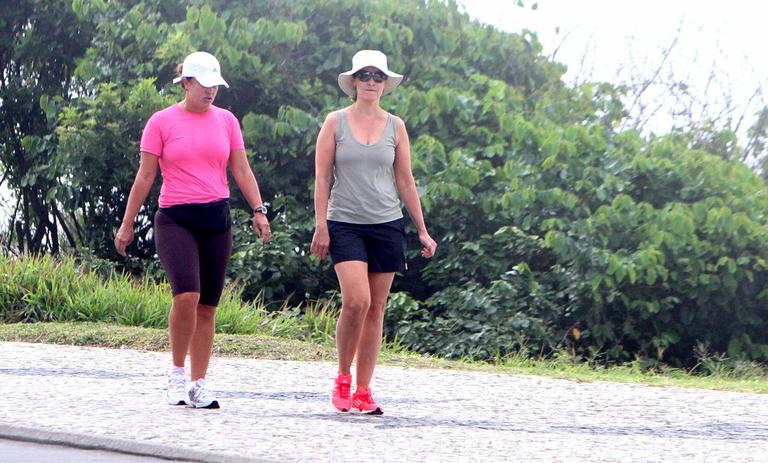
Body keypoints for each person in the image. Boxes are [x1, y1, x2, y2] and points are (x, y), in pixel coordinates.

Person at [114, 51, 270, 409]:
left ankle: (200, 383)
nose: (210, 91)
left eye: (215, 85)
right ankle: (177, 374)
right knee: (186, 294)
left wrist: (258, 210)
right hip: (175, 218)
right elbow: (145, 176)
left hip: (216, 218)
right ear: (185, 83)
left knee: (208, 306)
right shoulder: (161, 122)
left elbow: (242, 171)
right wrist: (127, 224)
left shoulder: (227, 121)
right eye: (203, 84)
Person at [310, 50, 437, 415]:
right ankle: (342, 378)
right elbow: (321, 177)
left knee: (376, 308)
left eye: (377, 76)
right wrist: (321, 224)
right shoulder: (335, 122)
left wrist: (422, 231)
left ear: (385, 84)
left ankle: (364, 390)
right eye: (364, 75)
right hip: (345, 222)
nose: (370, 81)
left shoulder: (396, 126)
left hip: (386, 223)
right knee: (356, 301)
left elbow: (405, 180)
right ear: (353, 81)